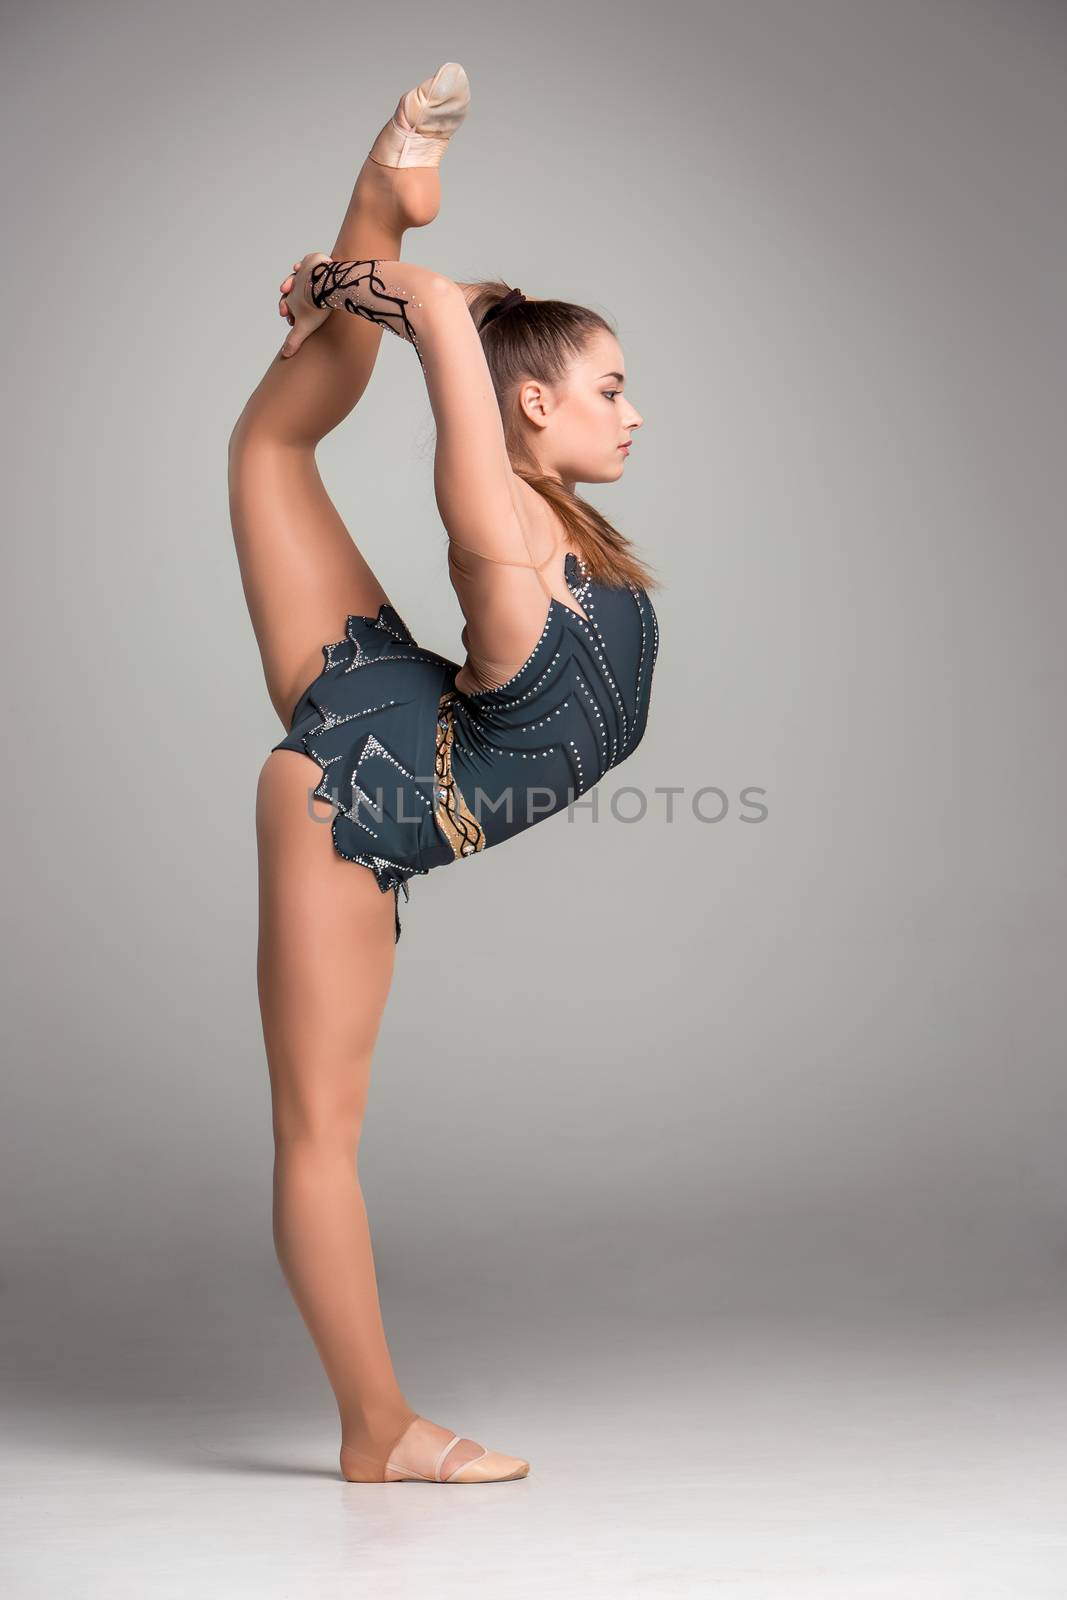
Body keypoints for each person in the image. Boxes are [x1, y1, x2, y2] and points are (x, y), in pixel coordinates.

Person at [227, 61, 659, 1484]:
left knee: (270, 447)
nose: (634, 411)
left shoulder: (565, 528)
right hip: (361, 805)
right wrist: (391, 298)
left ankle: (381, 193)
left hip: (418, 718)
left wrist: (367, 277)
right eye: (608, 386)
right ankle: (376, 1434)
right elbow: (443, 356)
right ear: (530, 407)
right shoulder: (497, 518)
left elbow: (447, 329)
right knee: (318, 1134)